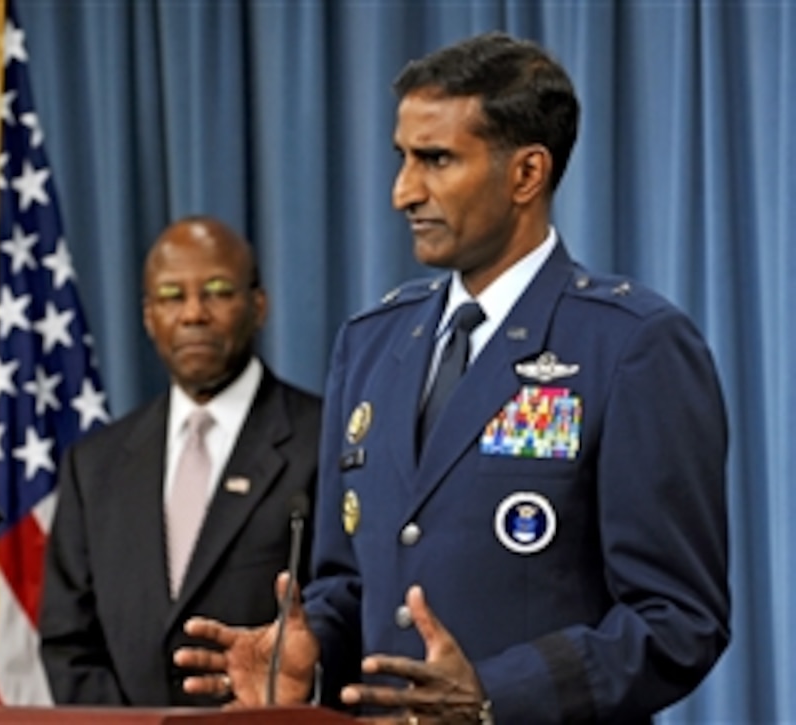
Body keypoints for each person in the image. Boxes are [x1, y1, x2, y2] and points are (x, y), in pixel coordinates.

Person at [174, 31, 729, 724]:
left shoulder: (631, 345)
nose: (403, 191)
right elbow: (350, 581)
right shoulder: (371, 343)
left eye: (435, 160)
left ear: (526, 174)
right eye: (403, 158)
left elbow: (679, 619)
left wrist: (501, 692)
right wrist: (308, 650)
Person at [39, 215, 322, 707]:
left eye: (216, 291)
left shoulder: (321, 441)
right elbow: (69, 644)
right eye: (172, 296)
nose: (193, 314)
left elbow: (343, 611)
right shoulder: (96, 465)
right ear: (149, 316)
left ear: (258, 306)